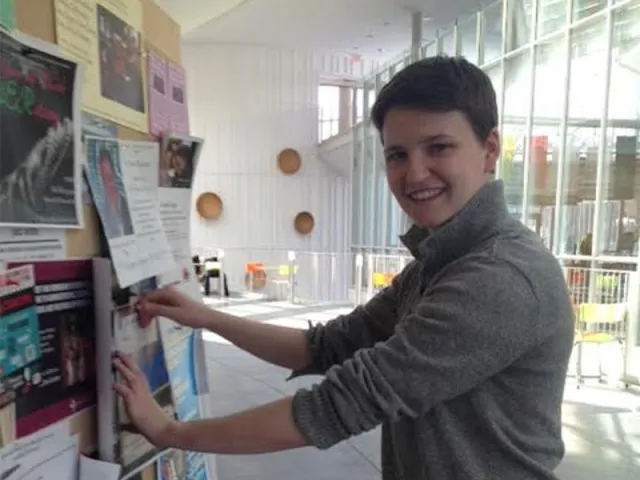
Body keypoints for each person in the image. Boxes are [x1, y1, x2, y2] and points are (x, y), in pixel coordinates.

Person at [112, 56, 575, 479]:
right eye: (397, 154)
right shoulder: (438, 264)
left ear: (490, 149)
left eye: (438, 148)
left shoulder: (500, 277)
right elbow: (325, 346)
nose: (414, 174)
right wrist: (205, 316)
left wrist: (171, 433)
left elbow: (342, 402)